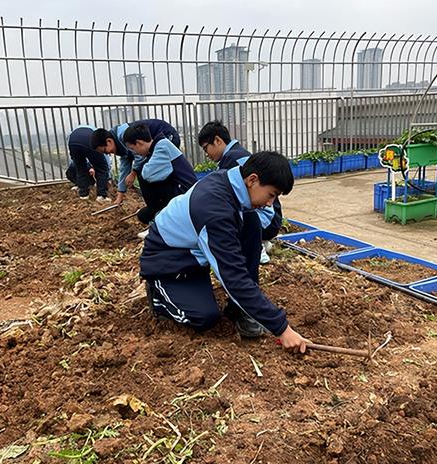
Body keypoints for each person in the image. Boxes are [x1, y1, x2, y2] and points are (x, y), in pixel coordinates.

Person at [140, 151, 308, 353]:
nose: (270, 203)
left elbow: (253, 238)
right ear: (252, 180)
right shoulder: (214, 209)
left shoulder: (233, 183)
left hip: (194, 256)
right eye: (271, 195)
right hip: (169, 261)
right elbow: (233, 276)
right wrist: (282, 328)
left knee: (251, 221)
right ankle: (159, 295)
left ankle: (239, 308)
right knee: (204, 317)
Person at [198, 120, 283, 263]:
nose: (207, 154)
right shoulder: (235, 155)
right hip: (268, 217)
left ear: (217, 140)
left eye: (206, 148)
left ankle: (257, 246)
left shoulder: (234, 160)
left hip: (266, 220)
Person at [122, 123, 196, 229]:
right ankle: (157, 212)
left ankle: (158, 215)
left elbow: (148, 174)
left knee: (142, 175)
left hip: (186, 194)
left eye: (133, 149)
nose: (135, 153)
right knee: (143, 215)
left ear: (138, 143)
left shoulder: (162, 146)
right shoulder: (157, 146)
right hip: (179, 190)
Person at [90, 119, 180, 205]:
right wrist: (120, 195)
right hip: (154, 147)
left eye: (105, 150)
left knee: (150, 173)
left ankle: (165, 203)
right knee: (145, 173)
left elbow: (139, 156)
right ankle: (158, 204)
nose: (108, 153)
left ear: (109, 141)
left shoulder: (123, 134)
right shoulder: (119, 145)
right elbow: (124, 168)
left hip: (166, 135)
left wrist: (133, 173)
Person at [67, 125, 111, 202]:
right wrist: (108, 177)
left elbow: (74, 160)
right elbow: (105, 164)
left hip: (72, 142)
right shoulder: (97, 137)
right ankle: (101, 196)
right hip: (88, 142)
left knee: (80, 168)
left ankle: (83, 195)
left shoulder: (78, 130)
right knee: (101, 168)